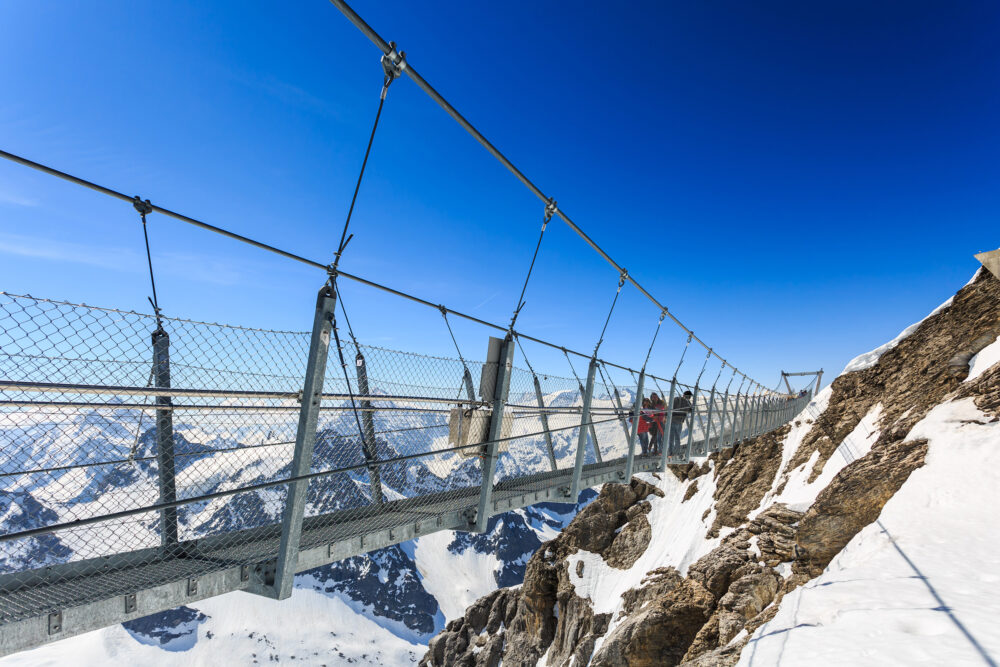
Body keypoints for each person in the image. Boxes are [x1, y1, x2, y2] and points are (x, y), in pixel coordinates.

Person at [668, 390, 693, 456]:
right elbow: (691, 410)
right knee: (677, 438)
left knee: (671, 437)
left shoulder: (676, 399)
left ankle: (670, 452)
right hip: (679, 422)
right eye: (689, 396)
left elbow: (670, 407)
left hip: (672, 421)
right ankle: (676, 452)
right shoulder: (688, 403)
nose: (689, 398)